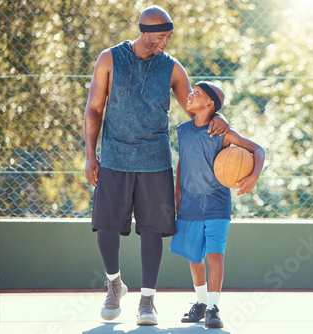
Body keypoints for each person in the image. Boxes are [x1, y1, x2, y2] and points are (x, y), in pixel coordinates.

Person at [83, 6, 229, 326]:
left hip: (155, 160)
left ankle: (147, 299)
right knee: (106, 227)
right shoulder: (110, 59)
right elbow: (94, 108)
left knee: (152, 231)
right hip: (115, 158)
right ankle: (114, 284)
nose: (166, 41)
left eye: (169, 35)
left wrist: (218, 115)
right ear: (144, 31)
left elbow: (195, 109)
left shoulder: (173, 69)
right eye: (161, 36)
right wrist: (91, 155)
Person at [169, 81, 265, 328]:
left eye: (197, 93)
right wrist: (176, 199)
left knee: (215, 256)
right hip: (188, 206)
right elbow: (182, 165)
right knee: (194, 257)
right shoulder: (183, 131)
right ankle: (200, 303)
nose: (190, 95)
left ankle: (213, 308)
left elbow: (257, 149)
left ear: (210, 104)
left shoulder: (223, 133)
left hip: (217, 206)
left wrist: (253, 176)